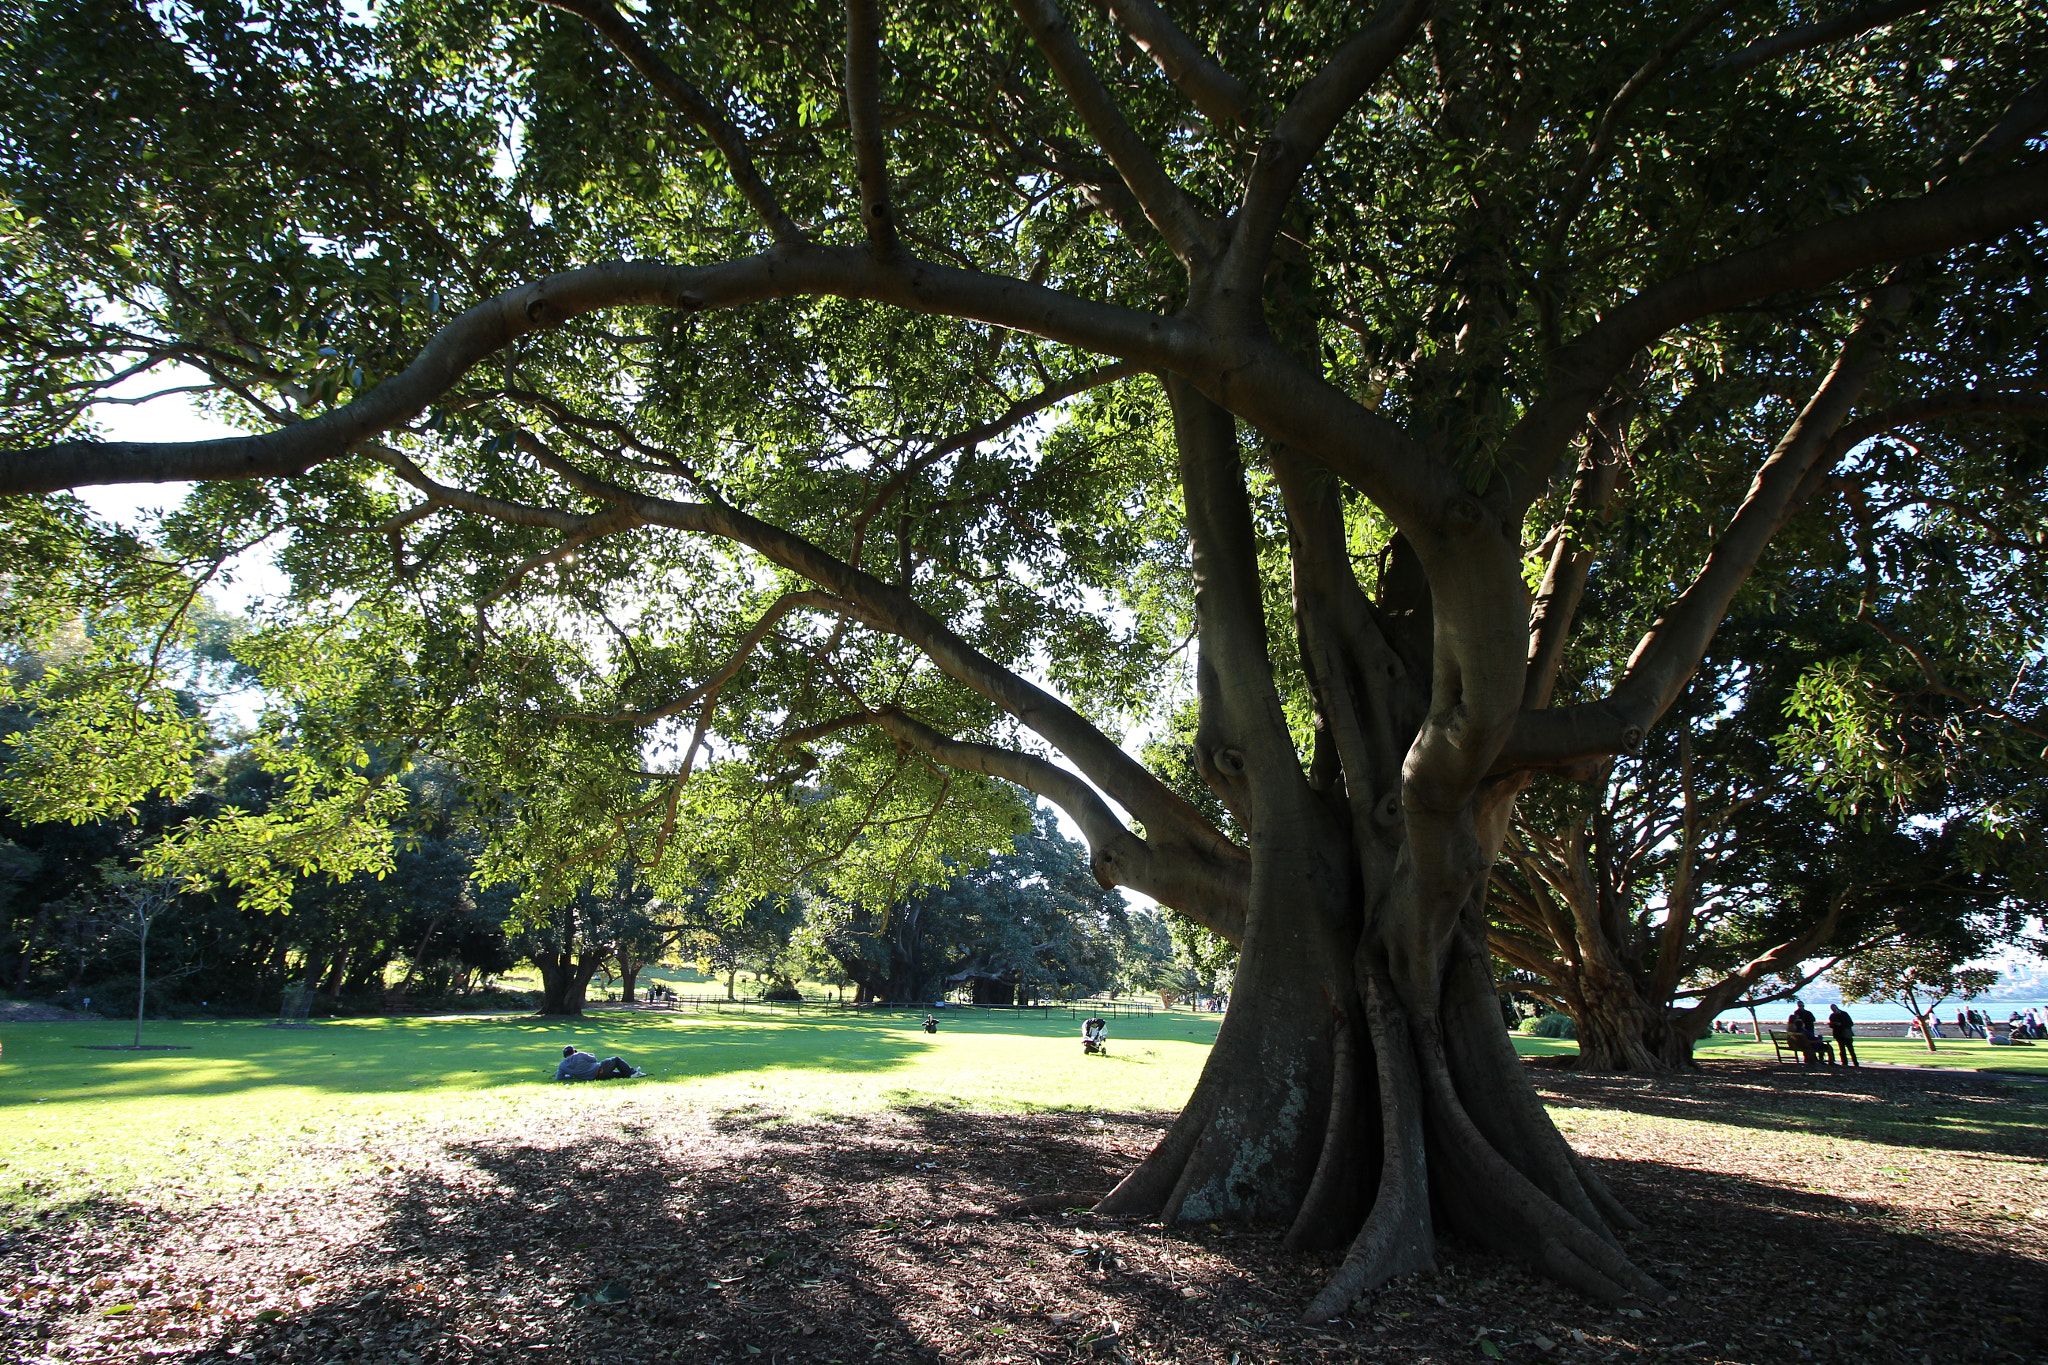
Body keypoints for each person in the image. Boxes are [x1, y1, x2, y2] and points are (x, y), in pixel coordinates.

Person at [557, 1044, 641, 1080]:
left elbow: (559, 1078)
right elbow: (594, 1059)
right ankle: (632, 1073)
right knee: (616, 1060)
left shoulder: (562, 1065)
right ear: (573, 1051)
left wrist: (572, 1076)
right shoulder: (579, 1055)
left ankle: (632, 1075)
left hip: (594, 1078)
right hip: (599, 1069)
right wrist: (590, 1054)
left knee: (617, 1074)